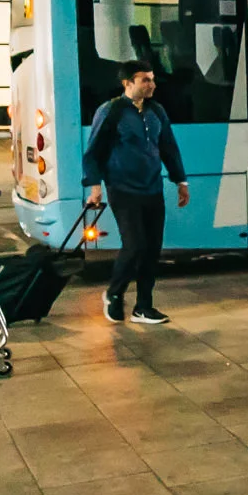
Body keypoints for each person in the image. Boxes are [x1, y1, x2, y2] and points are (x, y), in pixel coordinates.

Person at [84, 60, 190, 325]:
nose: (152, 84)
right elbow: (93, 152)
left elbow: (168, 147)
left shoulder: (157, 111)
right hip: (122, 189)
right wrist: (95, 186)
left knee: (152, 249)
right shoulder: (110, 111)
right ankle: (114, 293)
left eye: (152, 79)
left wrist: (180, 181)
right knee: (135, 245)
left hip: (152, 188)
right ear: (127, 83)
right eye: (145, 80)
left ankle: (143, 307)